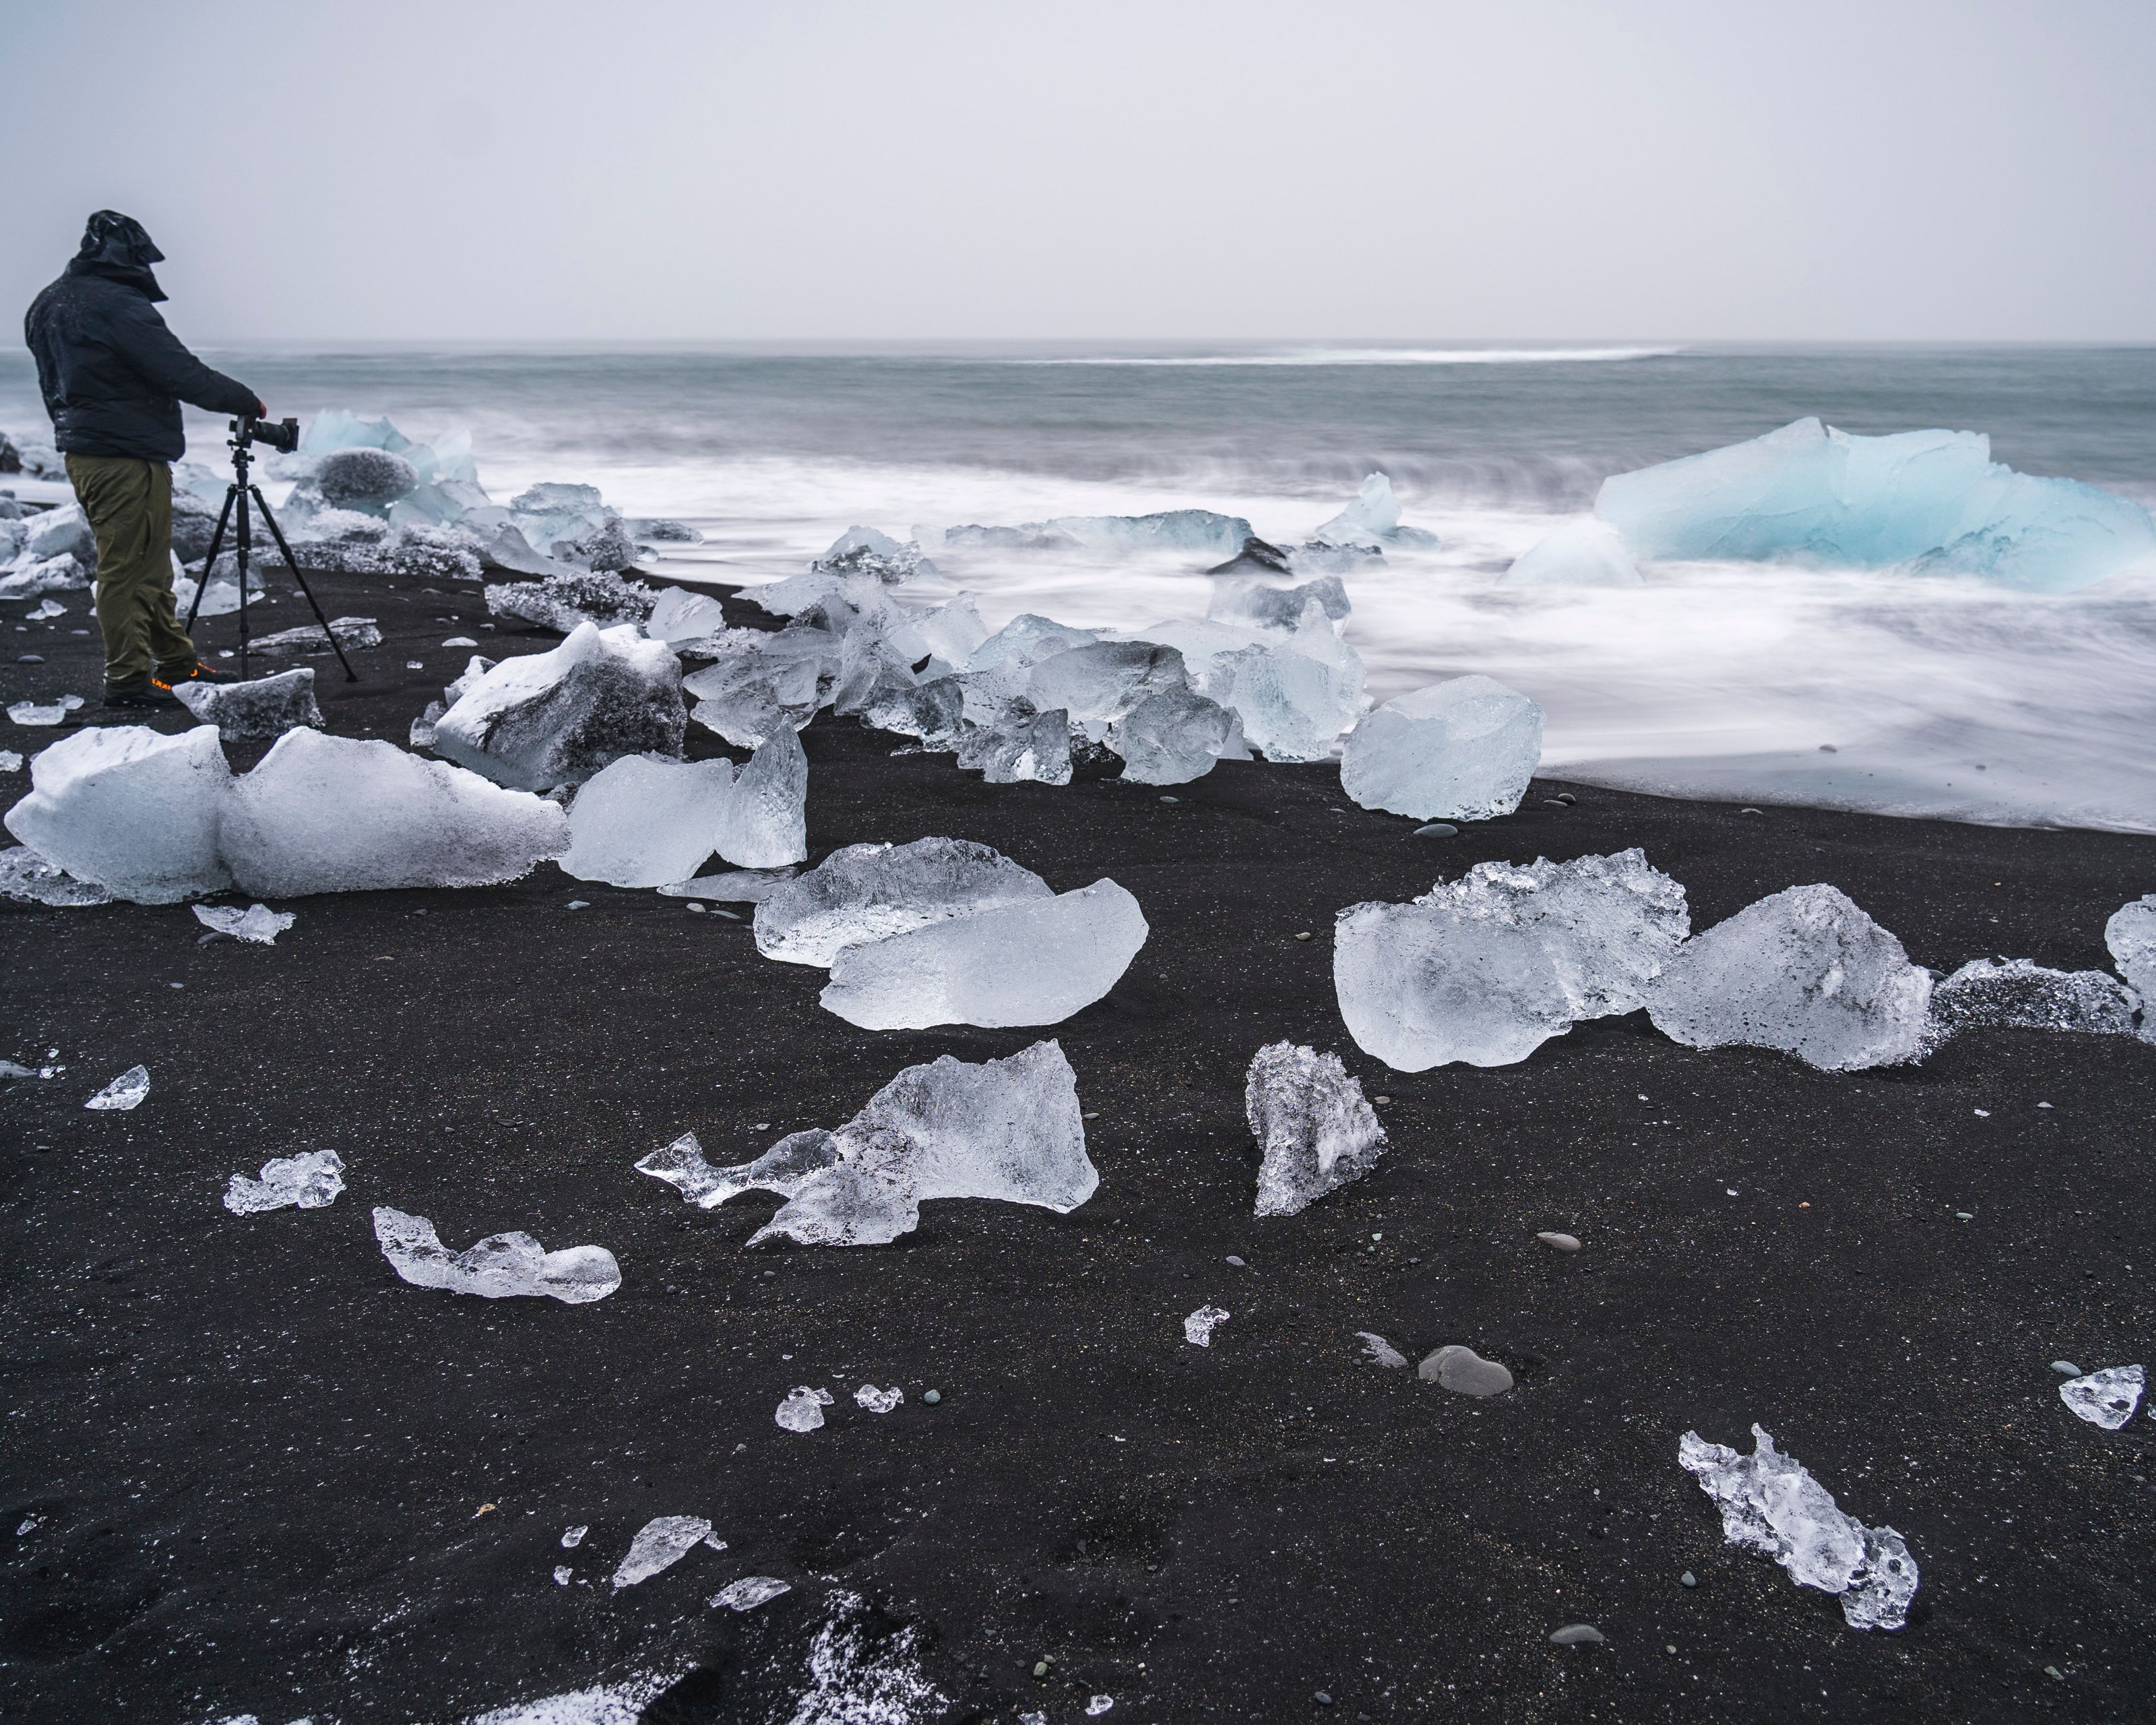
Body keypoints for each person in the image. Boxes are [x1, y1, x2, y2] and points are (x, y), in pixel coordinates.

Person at [24, 210, 266, 708]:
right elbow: (178, 371)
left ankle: (176, 665)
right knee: (126, 571)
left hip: (86, 451)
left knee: (147, 569)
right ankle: (127, 681)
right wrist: (245, 401)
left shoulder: (47, 303)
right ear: (127, 255)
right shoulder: (117, 305)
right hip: (124, 457)